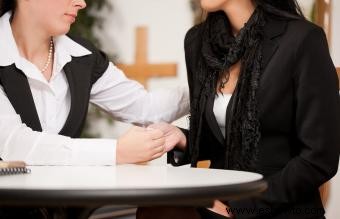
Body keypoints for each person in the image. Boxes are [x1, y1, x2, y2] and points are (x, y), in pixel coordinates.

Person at [138, 0, 340, 218]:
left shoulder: (302, 39)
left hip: (280, 210)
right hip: (220, 202)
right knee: (153, 210)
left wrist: (240, 209)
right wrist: (183, 139)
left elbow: (319, 158)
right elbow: (224, 141)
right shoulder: (198, 42)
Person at [0, 0, 189, 217]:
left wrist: (210, 86)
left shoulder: (81, 56)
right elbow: (14, 144)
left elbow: (146, 108)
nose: (81, 3)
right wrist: (115, 152)